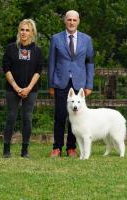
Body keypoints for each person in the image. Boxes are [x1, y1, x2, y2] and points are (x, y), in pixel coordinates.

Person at [48, 10, 95, 157]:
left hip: (79, 84)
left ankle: (71, 148)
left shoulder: (87, 40)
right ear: (65, 21)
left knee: (77, 118)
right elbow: (51, 63)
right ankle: (57, 147)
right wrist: (51, 84)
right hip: (60, 83)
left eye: (74, 20)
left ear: (78, 21)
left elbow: (90, 63)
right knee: (60, 116)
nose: (72, 23)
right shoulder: (55, 39)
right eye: (69, 20)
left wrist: (89, 84)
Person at [2, 19, 42, 158]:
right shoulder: (11, 48)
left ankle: (25, 150)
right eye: (22, 29)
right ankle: (6, 149)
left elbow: (38, 71)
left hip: (31, 90)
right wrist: (16, 87)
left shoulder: (37, 51)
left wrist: (28, 88)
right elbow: (6, 68)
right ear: (19, 31)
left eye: (27, 30)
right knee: (11, 117)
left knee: (27, 118)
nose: (24, 32)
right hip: (12, 89)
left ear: (32, 32)